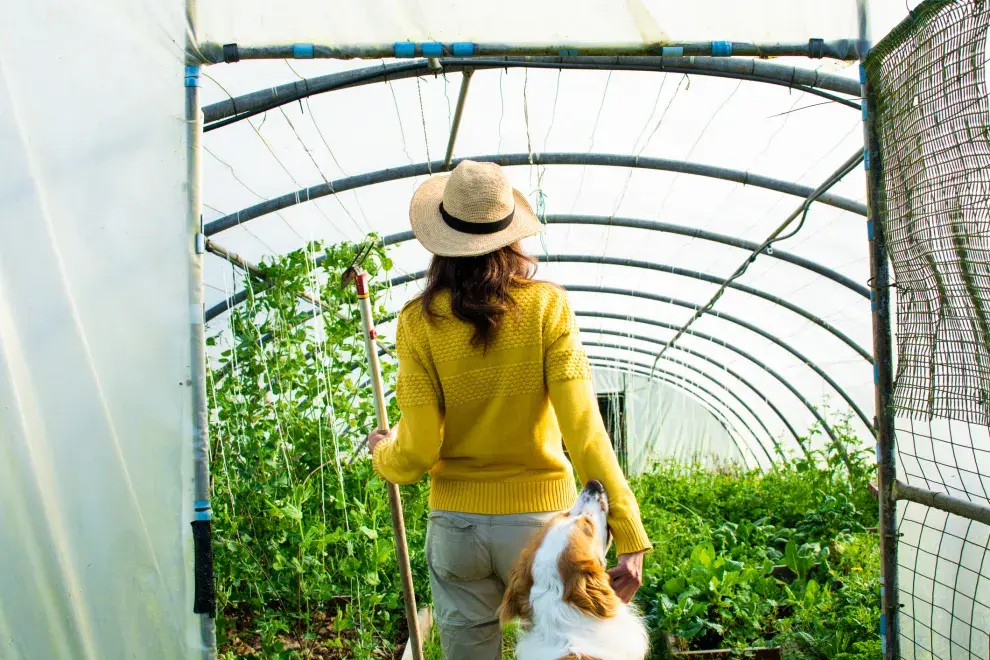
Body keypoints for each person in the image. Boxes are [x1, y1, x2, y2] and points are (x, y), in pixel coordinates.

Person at [367, 160, 651, 659]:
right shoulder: (547, 307)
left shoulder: (418, 321)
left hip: (458, 526)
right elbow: (584, 431)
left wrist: (384, 453)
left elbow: (418, 451)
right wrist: (627, 529)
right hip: (542, 531)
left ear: (441, 240)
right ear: (510, 235)